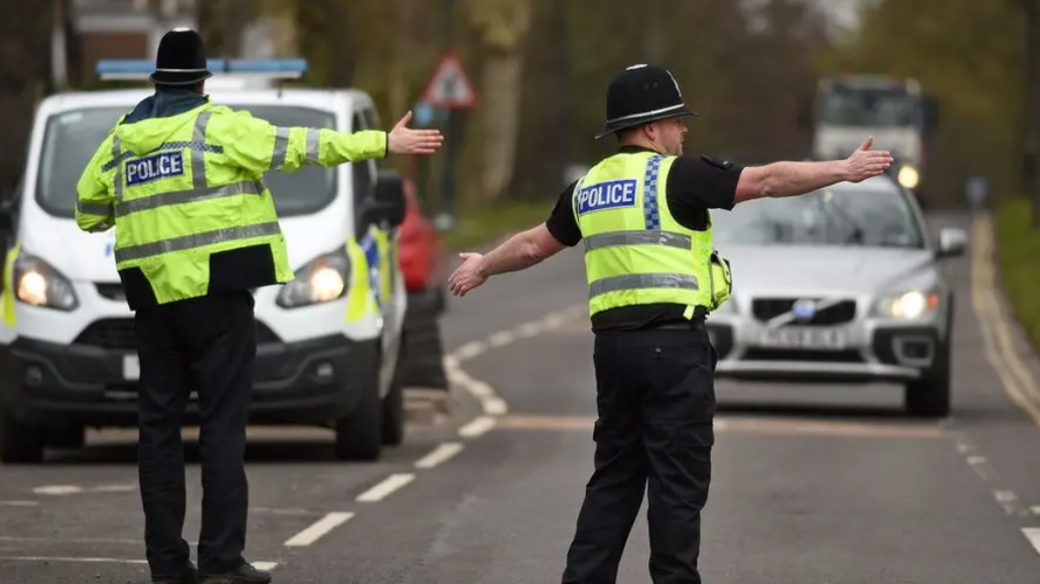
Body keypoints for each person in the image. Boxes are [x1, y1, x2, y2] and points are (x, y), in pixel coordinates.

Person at [447, 63, 892, 584]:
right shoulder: (677, 175)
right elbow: (768, 180)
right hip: (673, 352)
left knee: (613, 481)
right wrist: (842, 169)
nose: (685, 131)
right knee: (676, 490)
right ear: (651, 128)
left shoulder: (588, 187)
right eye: (678, 121)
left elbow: (532, 245)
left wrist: (483, 265)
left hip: (613, 354)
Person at [75, 28, 443, 584]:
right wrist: (381, 145)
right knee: (222, 428)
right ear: (202, 80)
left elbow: (86, 208)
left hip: (153, 304)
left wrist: (133, 209)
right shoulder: (217, 126)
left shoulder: (122, 141)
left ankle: (167, 565)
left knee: (158, 432)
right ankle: (222, 560)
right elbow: (302, 147)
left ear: (156, 80)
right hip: (218, 303)